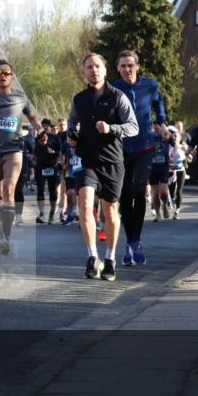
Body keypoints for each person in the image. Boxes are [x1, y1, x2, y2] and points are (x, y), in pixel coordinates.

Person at [69, 53, 138, 280]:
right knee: (85, 204)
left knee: (109, 210)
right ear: (84, 72)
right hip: (86, 160)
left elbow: (133, 127)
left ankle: (109, 257)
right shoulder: (78, 99)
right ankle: (92, 256)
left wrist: (112, 129)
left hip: (112, 160)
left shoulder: (118, 97)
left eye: (98, 66)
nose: (94, 70)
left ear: (105, 71)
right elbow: (73, 124)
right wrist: (72, 136)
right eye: (89, 67)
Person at [111, 50, 167, 266]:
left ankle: (136, 241)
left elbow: (159, 106)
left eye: (130, 65)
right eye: (123, 66)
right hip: (121, 148)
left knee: (138, 190)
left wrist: (161, 123)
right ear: (118, 68)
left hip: (145, 146)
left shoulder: (150, 86)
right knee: (124, 196)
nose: (127, 70)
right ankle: (129, 242)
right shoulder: (114, 88)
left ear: (138, 66)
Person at [0, 60, 40, 253]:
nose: (2, 75)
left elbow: (33, 117)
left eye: (6, 72)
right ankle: (2, 228)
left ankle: (6, 238)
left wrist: (41, 131)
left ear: (12, 75)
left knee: (9, 190)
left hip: (14, 148)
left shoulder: (21, 97)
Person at [33, 120, 61, 224]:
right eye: (43, 126)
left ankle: (52, 213)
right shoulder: (38, 138)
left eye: (47, 126)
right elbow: (35, 152)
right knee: (40, 190)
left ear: (50, 127)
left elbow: (60, 152)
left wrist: (53, 152)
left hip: (52, 167)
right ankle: (41, 214)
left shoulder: (55, 138)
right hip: (40, 168)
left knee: (53, 191)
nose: (45, 128)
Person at [149, 122, 175, 221]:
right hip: (152, 168)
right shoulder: (149, 137)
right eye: (154, 124)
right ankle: (157, 213)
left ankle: (164, 204)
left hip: (163, 168)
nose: (156, 126)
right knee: (155, 193)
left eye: (158, 124)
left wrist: (163, 123)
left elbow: (173, 142)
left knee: (163, 192)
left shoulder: (166, 137)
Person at [167, 124, 188, 218]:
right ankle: (171, 199)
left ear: (179, 137)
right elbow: (168, 158)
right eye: (173, 135)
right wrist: (175, 147)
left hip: (181, 170)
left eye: (176, 135)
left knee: (179, 190)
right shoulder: (168, 146)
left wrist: (189, 154)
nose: (175, 137)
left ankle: (177, 211)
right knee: (171, 192)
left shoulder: (183, 145)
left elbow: (187, 154)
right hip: (170, 170)